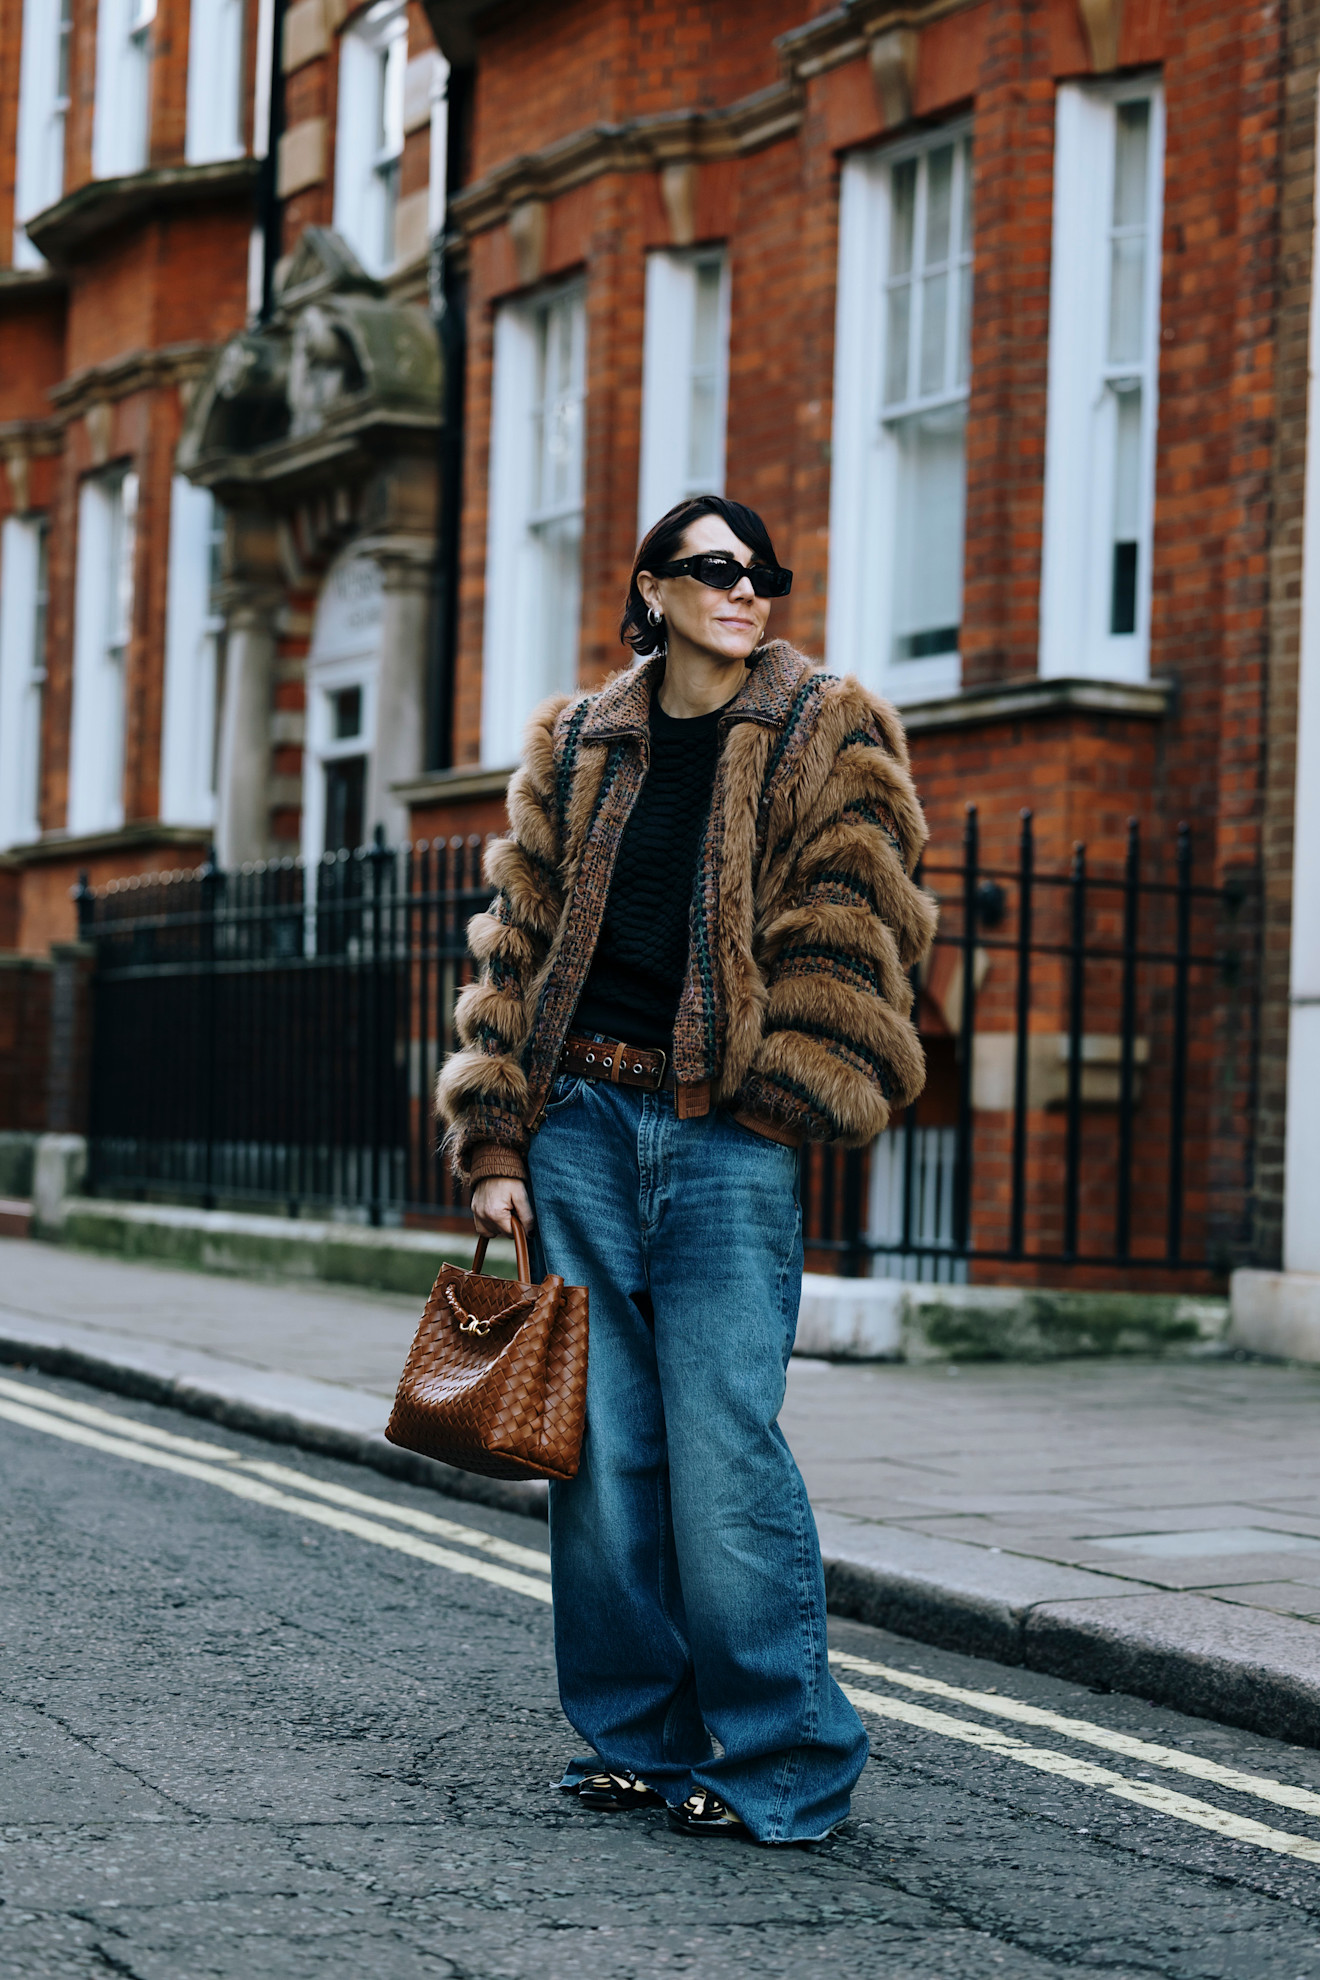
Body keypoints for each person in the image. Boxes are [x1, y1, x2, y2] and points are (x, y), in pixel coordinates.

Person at [438, 495, 935, 1844]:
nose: (746, 589)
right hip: (582, 1126)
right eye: (716, 569)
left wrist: (774, 1112)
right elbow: (517, 938)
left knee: (724, 1449)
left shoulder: (828, 728)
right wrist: (496, 1138)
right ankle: (638, 1740)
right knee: (599, 1453)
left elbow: (856, 921)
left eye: (762, 570)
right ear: (652, 587)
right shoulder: (579, 741)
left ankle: (786, 1757)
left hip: (726, 1139)